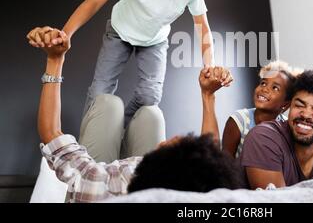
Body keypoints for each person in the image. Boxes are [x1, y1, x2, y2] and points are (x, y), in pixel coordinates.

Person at [27, 0, 215, 130]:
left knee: (150, 97)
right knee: (101, 91)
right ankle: (90, 139)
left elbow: (203, 28)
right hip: (119, 32)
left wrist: (210, 64)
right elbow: (96, 0)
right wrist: (66, 33)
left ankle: (121, 132)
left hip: (155, 41)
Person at [31, 28, 240, 203]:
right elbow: (211, 156)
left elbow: (51, 133)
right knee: (152, 114)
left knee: (109, 104)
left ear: (165, 163)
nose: (170, 138)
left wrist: (55, 60)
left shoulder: (99, 185)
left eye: (174, 143)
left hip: (108, 178)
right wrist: (208, 96)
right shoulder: (194, 194)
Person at [203, 61, 301, 158]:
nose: (265, 89)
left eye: (275, 88)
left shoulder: (287, 127)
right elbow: (226, 162)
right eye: (263, 83)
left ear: (286, 103)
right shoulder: (239, 121)